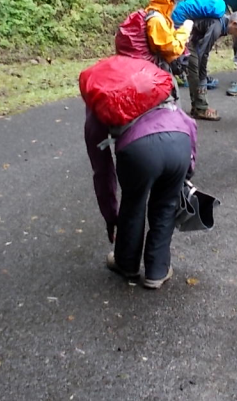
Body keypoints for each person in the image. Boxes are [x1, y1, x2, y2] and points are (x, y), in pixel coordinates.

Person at [84, 93, 198, 289]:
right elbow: (188, 122)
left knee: (133, 202)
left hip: (137, 150)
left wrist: (111, 215)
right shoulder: (158, 78)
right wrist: (188, 170)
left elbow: (102, 169)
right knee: (166, 205)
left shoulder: (100, 91)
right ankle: (157, 271)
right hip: (180, 140)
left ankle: (126, 264)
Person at [146, 0, 192, 70]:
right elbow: (172, 49)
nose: (176, 4)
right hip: (158, 69)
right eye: (175, 0)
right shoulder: (157, 20)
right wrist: (185, 30)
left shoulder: (162, 16)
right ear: (168, 0)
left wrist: (180, 34)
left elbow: (167, 38)